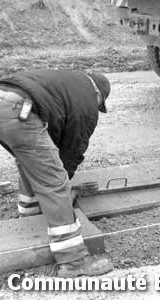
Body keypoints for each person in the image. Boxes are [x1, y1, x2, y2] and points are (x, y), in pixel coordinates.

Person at [0, 69, 113, 277]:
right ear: (98, 94)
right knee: (53, 180)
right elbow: (73, 148)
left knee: (32, 160)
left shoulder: (67, 82)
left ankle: (30, 212)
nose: (97, 107)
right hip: (19, 109)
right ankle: (74, 261)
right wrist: (64, 184)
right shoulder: (87, 100)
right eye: (99, 104)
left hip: (6, 98)